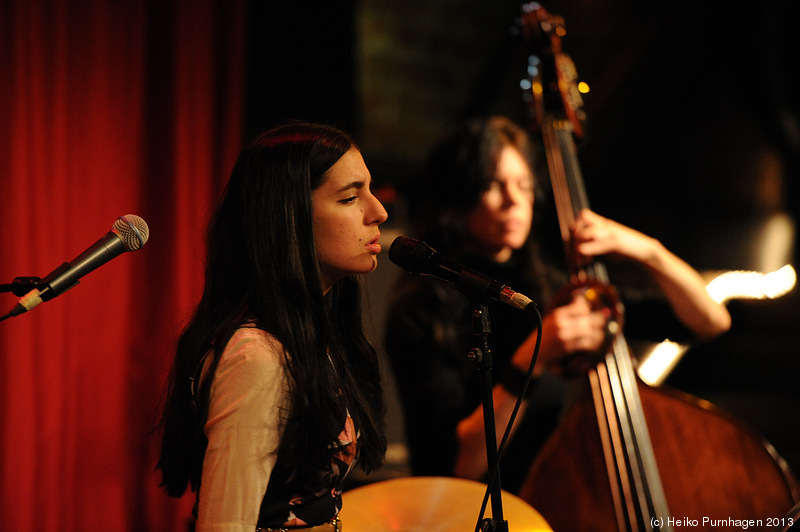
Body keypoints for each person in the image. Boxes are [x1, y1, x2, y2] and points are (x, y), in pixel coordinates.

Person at [385, 115, 731, 493]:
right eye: (491, 184)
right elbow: (455, 467)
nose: (514, 201)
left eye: (524, 185)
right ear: (458, 195)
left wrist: (649, 251)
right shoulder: (419, 310)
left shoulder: (553, 289)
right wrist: (531, 357)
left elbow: (710, 322)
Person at [157, 122, 389, 531]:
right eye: (351, 197)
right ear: (289, 214)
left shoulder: (313, 339)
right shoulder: (256, 356)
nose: (378, 212)